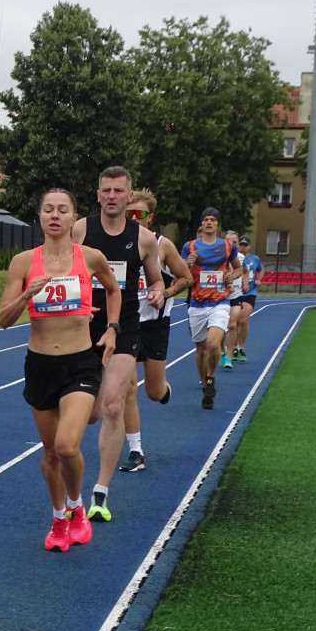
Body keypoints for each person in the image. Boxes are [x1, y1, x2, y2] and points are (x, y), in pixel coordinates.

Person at [0, 188, 121, 552]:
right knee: (50, 452)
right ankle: (58, 519)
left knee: (67, 445)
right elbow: (4, 320)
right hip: (39, 364)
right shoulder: (23, 263)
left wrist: (112, 328)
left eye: (62, 210)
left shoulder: (91, 258)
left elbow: (114, 291)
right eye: (48, 209)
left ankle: (76, 507)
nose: (55, 215)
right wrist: (26, 294)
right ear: (40, 216)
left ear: (73, 218)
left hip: (80, 362)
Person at [71, 167, 165, 521]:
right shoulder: (81, 229)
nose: (112, 196)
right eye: (106, 190)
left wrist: (157, 293)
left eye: (118, 190)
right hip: (83, 328)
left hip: (124, 328)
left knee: (113, 406)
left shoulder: (143, 239)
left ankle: (100, 493)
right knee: (91, 413)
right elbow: (65, 269)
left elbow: (155, 281)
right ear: (98, 195)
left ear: (128, 197)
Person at [118, 189, 192, 473]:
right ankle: (136, 451)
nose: (134, 219)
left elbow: (186, 278)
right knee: (126, 388)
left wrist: (166, 293)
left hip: (154, 325)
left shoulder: (163, 245)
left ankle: (163, 389)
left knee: (152, 391)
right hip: (126, 323)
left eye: (140, 215)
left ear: (151, 218)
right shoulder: (114, 244)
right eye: (129, 214)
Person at [182, 208, 243, 409]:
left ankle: (211, 378)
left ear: (218, 224)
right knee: (200, 350)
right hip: (197, 303)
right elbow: (180, 275)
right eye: (206, 219)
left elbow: (239, 268)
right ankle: (204, 383)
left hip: (220, 302)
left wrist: (231, 276)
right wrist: (187, 265)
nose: (209, 223)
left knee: (213, 344)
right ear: (202, 224)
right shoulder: (189, 246)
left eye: (213, 220)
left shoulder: (227, 246)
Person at [235, 235, 264, 361]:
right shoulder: (233, 258)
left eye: (245, 245)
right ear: (237, 245)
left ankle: (241, 348)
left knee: (243, 320)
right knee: (233, 322)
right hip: (235, 293)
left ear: (249, 246)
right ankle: (233, 347)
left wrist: (259, 279)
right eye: (241, 244)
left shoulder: (254, 259)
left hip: (249, 293)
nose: (243, 247)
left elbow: (261, 269)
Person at [220, 230, 246, 369]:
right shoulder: (218, 255)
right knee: (219, 328)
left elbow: (245, 270)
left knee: (232, 325)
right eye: (228, 241)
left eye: (234, 242)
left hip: (236, 295)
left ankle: (229, 357)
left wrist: (245, 282)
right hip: (221, 295)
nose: (231, 244)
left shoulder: (240, 257)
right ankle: (222, 349)